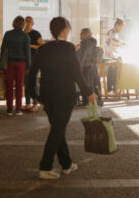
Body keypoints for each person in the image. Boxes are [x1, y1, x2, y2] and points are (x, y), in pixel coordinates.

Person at [27, 17, 96, 180]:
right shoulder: (68, 48)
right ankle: (45, 166)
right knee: (58, 129)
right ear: (64, 30)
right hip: (65, 94)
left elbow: (32, 74)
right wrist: (88, 92)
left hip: (47, 95)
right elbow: (76, 73)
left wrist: (35, 95)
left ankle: (66, 164)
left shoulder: (43, 49)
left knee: (58, 129)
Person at [0, 16, 31, 116]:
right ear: (23, 24)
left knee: (9, 86)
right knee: (19, 86)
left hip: (9, 63)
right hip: (21, 63)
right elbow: (27, 52)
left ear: (14, 23)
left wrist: (1, 65)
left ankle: (9, 109)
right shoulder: (25, 36)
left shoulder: (8, 34)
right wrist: (28, 66)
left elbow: (2, 50)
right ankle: (18, 109)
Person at [77, 28, 103, 107]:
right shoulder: (93, 42)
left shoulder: (85, 43)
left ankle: (87, 101)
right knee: (95, 84)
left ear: (85, 34)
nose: (80, 35)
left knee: (86, 84)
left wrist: (80, 66)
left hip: (86, 66)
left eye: (81, 33)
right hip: (93, 66)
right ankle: (98, 101)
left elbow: (82, 55)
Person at [24, 16, 44, 112]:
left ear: (33, 23)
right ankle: (28, 103)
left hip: (34, 61)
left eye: (30, 21)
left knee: (34, 82)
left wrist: (31, 45)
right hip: (24, 61)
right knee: (26, 83)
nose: (28, 23)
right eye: (26, 21)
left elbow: (42, 46)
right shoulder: (22, 33)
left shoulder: (35, 33)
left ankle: (35, 104)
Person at [105, 18, 125, 95]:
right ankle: (111, 89)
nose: (121, 28)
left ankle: (113, 89)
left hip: (114, 55)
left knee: (114, 72)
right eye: (121, 26)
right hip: (112, 55)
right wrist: (123, 43)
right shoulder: (112, 32)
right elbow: (113, 41)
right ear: (117, 25)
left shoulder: (114, 32)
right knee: (112, 73)